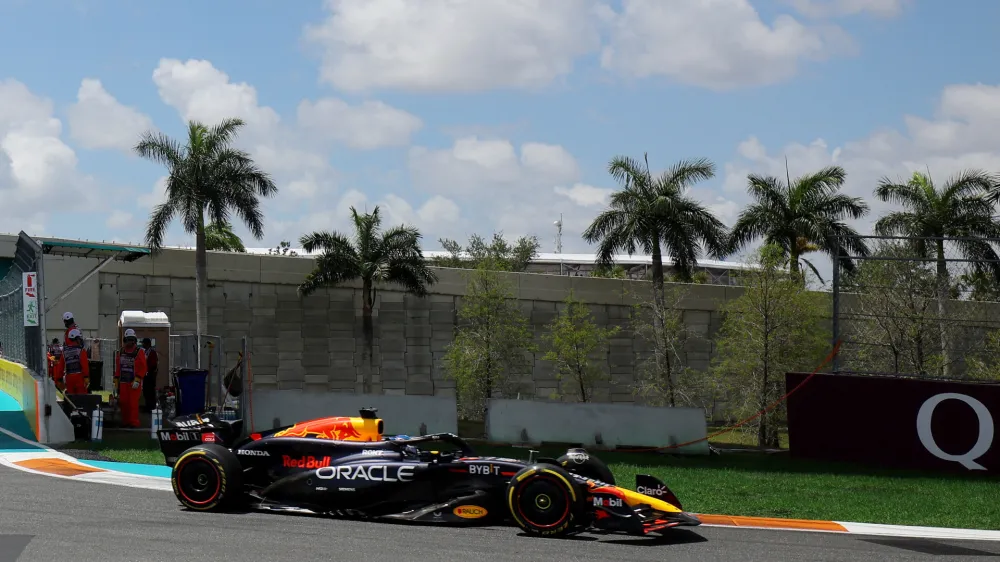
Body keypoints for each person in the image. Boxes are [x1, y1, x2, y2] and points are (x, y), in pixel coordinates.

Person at [114, 328, 147, 428]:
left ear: (135, 340)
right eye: (128, 339)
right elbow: (118, 366)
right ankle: (125, 421)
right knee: (123, 402)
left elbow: (144, 367)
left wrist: (138, 378)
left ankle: (133, 422)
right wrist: (116, 378)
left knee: (133, 403)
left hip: (134, 382)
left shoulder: (139, 351)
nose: (130, 342)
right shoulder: (121, 352)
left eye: (132, 340)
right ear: (125, 340)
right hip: (123, 382)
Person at [59, 329, 90, 394]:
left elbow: (61, 366)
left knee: (71, 397)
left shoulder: (64, 351)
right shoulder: (81, 350)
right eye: (79, 338)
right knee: (81, 397)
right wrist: (86, 376)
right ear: (76, 338)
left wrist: (60, 379)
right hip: (79, 377)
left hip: (69, 378)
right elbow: (84, 365)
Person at [141, 337, 159, 412]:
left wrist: (149, 372)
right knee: (146, 391)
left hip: (150, 375)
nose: (142, 345)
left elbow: (153, 364)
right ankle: (148, 405)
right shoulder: (145, 352)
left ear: (147, 344)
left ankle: (151, 407)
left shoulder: (152, 352)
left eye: (144, 343)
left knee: (150, 391)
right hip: (146, 375)